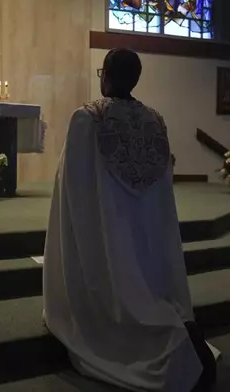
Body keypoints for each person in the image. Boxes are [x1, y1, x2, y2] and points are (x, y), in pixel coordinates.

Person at [42, 48, 216, 392]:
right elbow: (162, 188)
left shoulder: (87, 118)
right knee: (141, 281)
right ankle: (171, 329)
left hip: (104, 227)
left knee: (108, 279)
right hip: (145, 232)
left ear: (105, 74)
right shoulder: (156, 119)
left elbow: (72, 187)